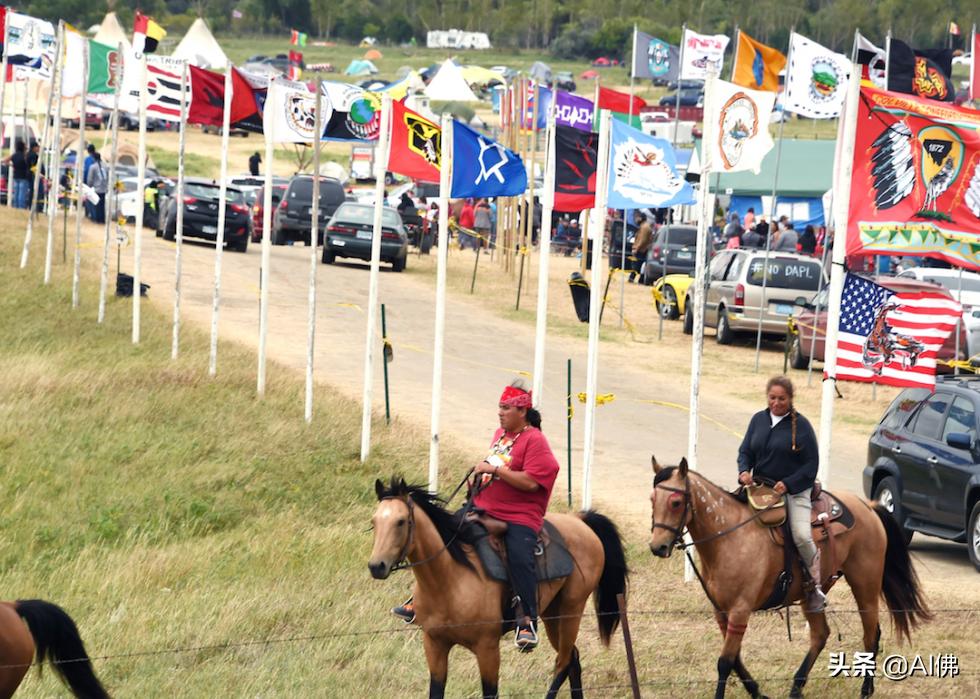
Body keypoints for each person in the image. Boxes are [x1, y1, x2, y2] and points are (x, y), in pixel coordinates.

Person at [393, 380, 560, 652]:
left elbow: (531, 482)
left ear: (522, 411)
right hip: (484, 506)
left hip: (519, 516)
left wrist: (495, 472)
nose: (500, 412)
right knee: (444, 537)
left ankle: (526, 620)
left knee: (519, 556)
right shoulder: (501, 435)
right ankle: (419, 598)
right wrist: (480, 480)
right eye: (499, 407)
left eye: (506, 408)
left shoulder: (535, 440)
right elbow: (495, 465)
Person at [737, 376, 825, 612]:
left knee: (801, 535)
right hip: (761, 488)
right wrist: (744, 471)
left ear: (790, 399)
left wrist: (787, 484)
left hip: (794, 490)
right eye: (772, 398)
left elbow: (811, 465)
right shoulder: (758, 419)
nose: (776, 403)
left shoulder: (802, 426)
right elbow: (745, 450)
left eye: (782, 399)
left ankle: (814, 586)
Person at [3, 139, 30, 209]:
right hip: (23, 176)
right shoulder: (24, 156)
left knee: (16, 193)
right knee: (22, 194)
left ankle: (15, 206)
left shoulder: (14, 155)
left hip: (16, 176)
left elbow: (5, 160)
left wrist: (12, 165)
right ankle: (21, 207)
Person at [85, 152, 108, 223]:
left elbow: (90, 179)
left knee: (95, 205)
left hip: (96, 189)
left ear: (94, 158)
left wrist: (89, 186)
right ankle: (102, 219)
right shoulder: (105, 166)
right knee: (102, 205)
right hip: (103, 189)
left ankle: (96, 219)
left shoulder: (93, 167)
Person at [630, 212, 653, 283]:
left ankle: (633, 278)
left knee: (637, 264)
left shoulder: (645, 227)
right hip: (643, 249)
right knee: (640, 265)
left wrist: (636, 248)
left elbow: (642, 240)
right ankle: (640, 279)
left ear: (641, 218)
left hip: (642, 249)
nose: (636, 220)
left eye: (638, 218)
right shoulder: (644, 226)